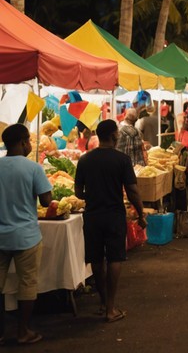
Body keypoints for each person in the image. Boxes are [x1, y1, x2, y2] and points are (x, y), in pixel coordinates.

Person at [74, 119, 147, 323]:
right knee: (115, 258)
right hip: (114, 214)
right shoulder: (121, 160)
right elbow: (132, 190)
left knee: (96, 260)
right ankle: (111, 309)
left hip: (92, 215)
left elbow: (78, 192)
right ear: (114, 135)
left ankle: (103, 302)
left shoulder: (85, 160)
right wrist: (141, 214)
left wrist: (94, 195)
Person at [0, 124, 53, 345]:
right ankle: (23, 331)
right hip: (27, 237)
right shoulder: (33, 168)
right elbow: (47, 201)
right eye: (29, 141)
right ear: (23, 142)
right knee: (28, 284)